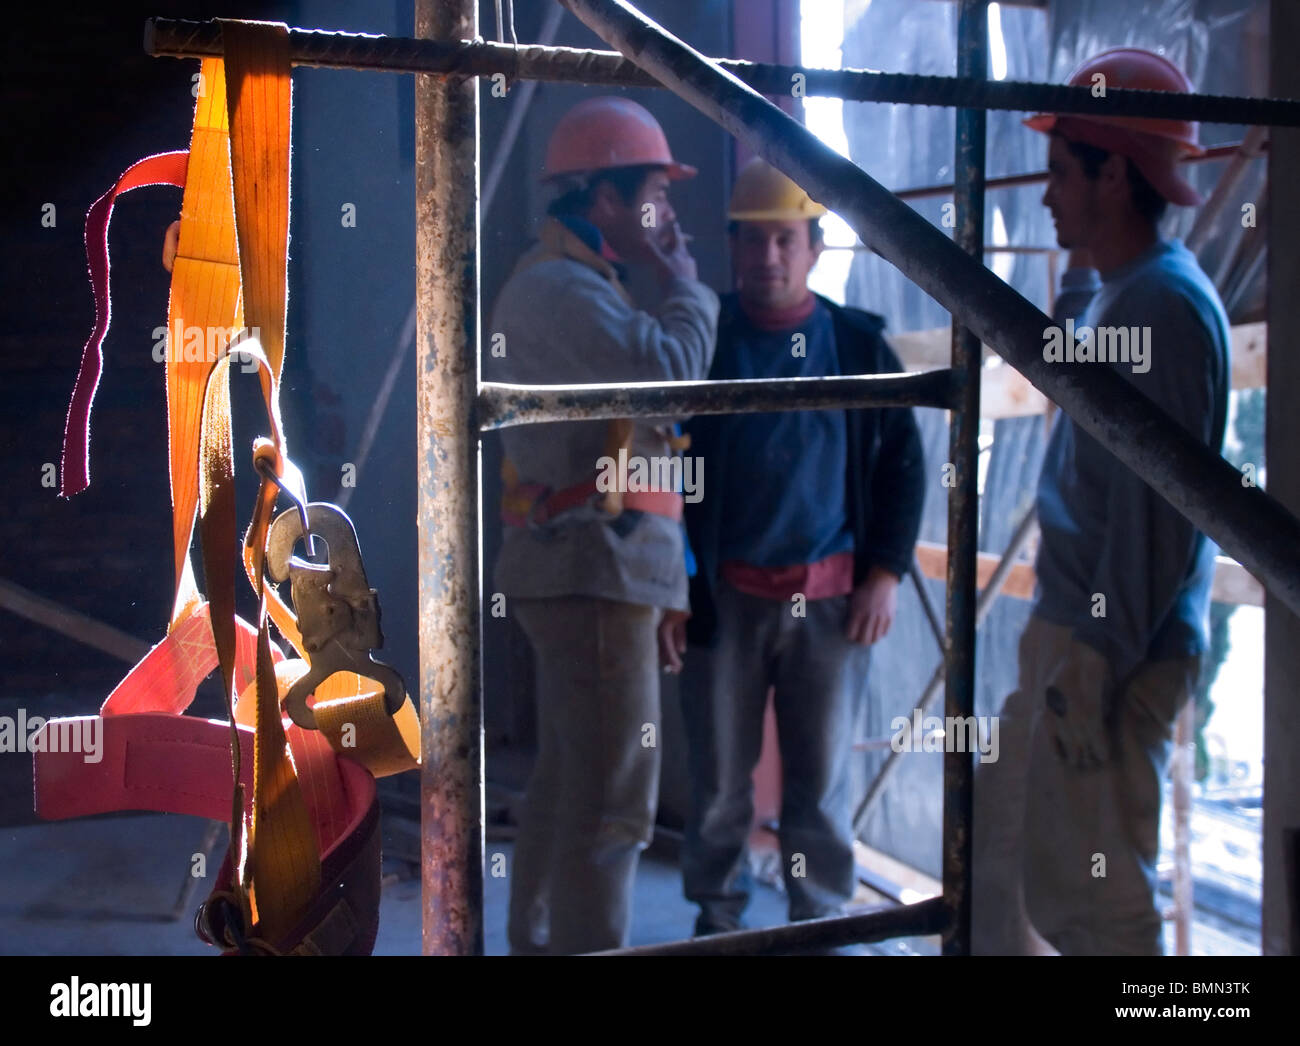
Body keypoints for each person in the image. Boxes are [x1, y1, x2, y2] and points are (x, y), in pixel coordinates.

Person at [971, 48, 1230, 956]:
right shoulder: (1125, 296)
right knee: (1043, 884)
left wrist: (1098, 658)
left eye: (1058, 170)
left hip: (1113, 652)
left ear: (1113, 173)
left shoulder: (1160, 307)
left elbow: (1162, 513)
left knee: (1103, 913)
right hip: (1086, 637)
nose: (1044, 198)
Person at [660, 157, 925, 935]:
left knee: (822, 783)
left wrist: (885, 572)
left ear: (814, 249)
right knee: (719, 786)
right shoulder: (705, 341)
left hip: (833, 601)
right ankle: (719, 922)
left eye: (783, 240)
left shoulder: (856, 344)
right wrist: (673, 587)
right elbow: (659, 470)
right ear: (732, 248)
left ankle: (823, 922)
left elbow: (904, 467)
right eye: (750, 241)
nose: (765, 258)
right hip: (725, 599)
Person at [488, 96, 719, 955]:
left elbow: (645, 452)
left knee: (573, 779)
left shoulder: (584, 284)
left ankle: (542, 942)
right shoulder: (560, 292)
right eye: (656, 193)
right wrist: (688, 284)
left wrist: (672, 581)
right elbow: (672, 380)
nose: (670, 215)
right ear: (604, 196)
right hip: (587, 567)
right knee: (616, 801)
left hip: (608, 567)